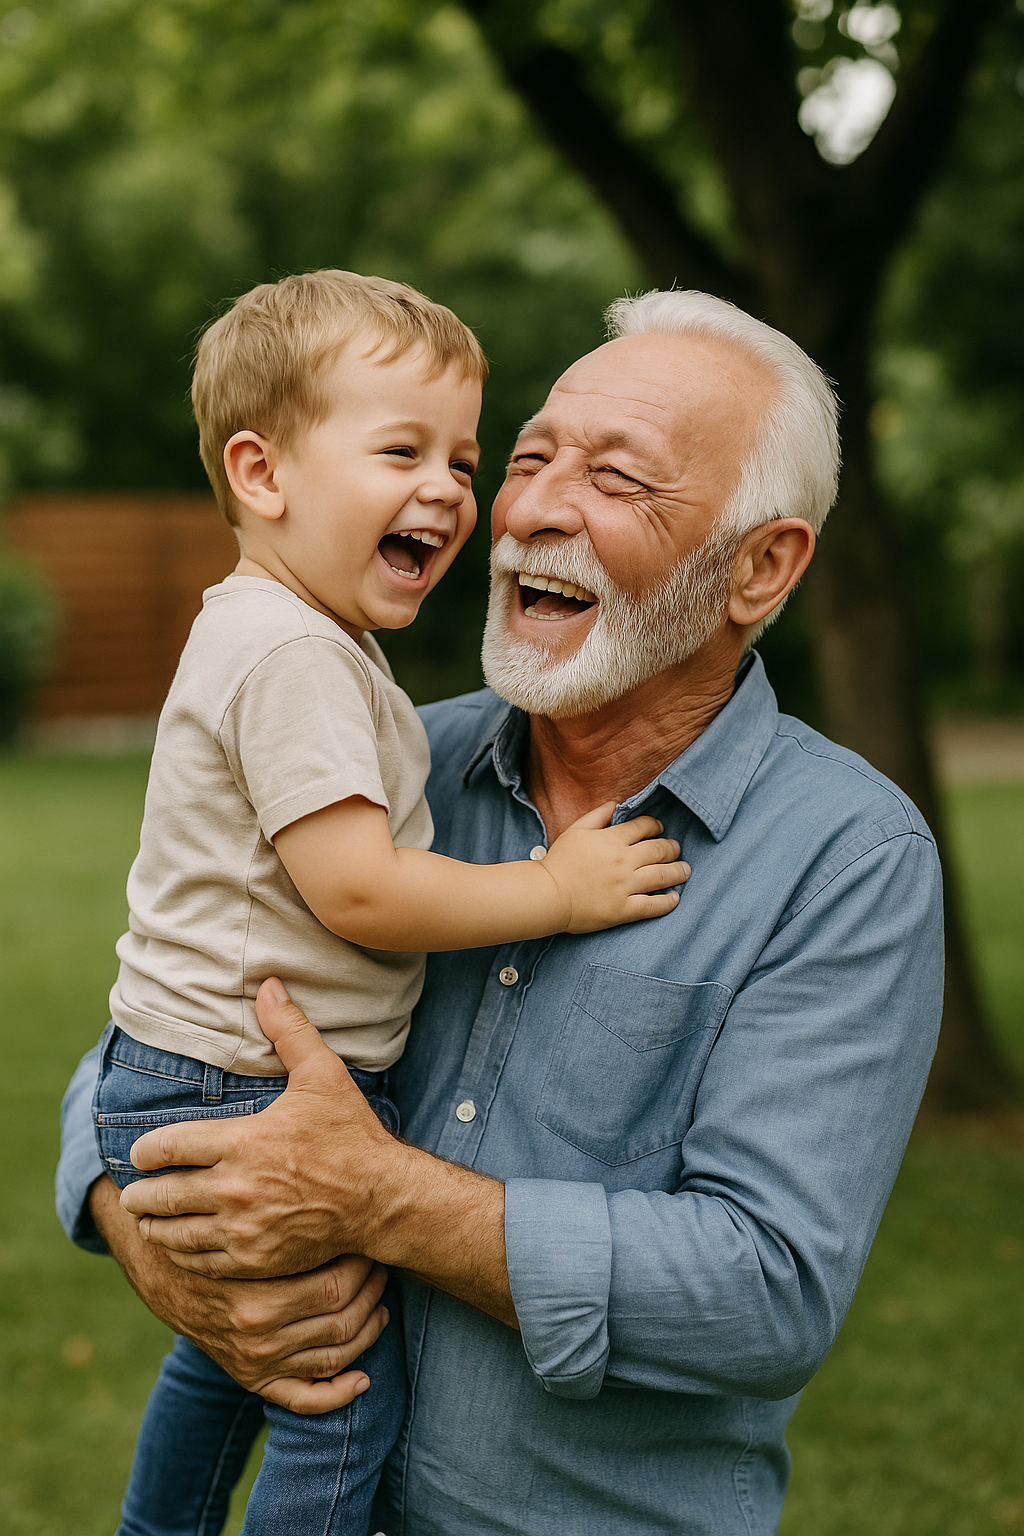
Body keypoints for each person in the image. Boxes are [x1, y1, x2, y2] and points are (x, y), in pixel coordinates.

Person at [58, 289, 944, 1536]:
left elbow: (764, 1293)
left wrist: (373, 1197)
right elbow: (152, 1032)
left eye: (617, 480)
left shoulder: (845, 859)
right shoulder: (395, 769)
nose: (524, 508)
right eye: (527, 459)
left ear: (759, 567)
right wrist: (143, 1231)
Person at [87, 269, 687, 1536]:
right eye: (401, 450)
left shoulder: (283, 634)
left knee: (230, 1359)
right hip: (244, 1084)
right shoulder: (297, 656)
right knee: (339, 1385)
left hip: (187, 1066)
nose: (449, 492)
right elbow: (359, 889)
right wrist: (554, 889)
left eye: (465, 462)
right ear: (263, 475)